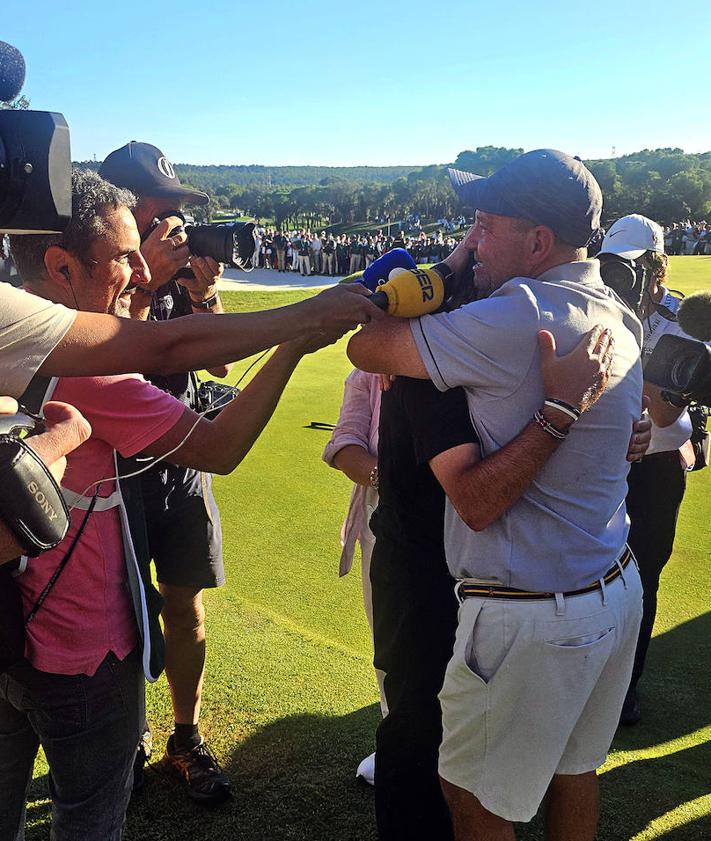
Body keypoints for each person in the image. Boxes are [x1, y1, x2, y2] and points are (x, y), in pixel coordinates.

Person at [0, 168, 342, 840]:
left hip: (6, 635)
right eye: (125, 256)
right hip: (81, 648)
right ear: (60, 264)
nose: (140, 270)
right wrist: (295, 342)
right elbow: (217, 444)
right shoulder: (89, 364)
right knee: (91, 817)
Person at [349, 149, 644, 841]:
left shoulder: (521, 311)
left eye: (484, 224)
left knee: (470, 794)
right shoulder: (616, 310)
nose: (473, 239)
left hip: (531, 609)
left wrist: (449, 271)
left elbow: (368, 343)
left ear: (537, 240)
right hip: (610, 582)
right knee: (575, 770)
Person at [99, 141, 230, 801]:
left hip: (180, 458)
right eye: (163, 209)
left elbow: (219, 369)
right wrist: (143, 283)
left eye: (179, 211)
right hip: (115, 469)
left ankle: (185, 734)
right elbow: (109, 355)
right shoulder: (103, 274)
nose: (175, 224)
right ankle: (127, 737)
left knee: (186, 605)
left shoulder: (184, 273)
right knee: (121, 612)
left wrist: (205, 299)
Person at [597, 214, 695, 725]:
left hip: (655, 466)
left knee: (641, 580)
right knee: (591, 574)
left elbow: (662, 413)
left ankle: (624, 688)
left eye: (636, 266)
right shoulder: (596, 302)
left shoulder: (684, 320)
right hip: (599, 462)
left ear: (658, 267)